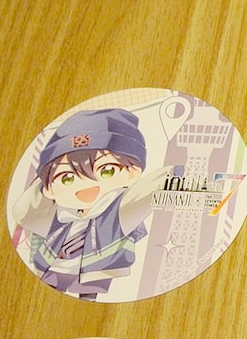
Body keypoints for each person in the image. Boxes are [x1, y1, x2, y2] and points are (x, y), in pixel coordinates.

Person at [13, 108, 162, 299]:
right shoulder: (60, 214)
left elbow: (153, 188)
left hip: (96, 271)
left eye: (106, 171)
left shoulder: (118, 210)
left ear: (132, 172)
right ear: (49, 188)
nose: (86, 185)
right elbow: (23, 211)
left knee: (87, 298)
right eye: (67, 178)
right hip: (53, 268)